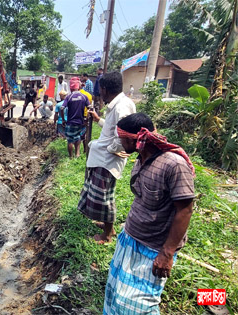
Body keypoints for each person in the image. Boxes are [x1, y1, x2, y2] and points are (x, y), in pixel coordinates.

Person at [104, 113, 195, 314]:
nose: (119, 141)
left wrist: (167, 253)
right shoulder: (142, 158)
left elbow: (185, 209)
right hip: (131, 239)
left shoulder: (174, 165)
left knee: (139, 304)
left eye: (121, 138)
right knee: (116, 295)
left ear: (132, 139)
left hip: (152, 249)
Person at [79, 71, 136, 243]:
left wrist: (109, 149)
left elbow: (123, 136)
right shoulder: (118, 104)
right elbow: (113, 129)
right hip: (104, 158)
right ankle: (106, 225)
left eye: (100, 89)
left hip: (107, 160)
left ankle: (108, 234)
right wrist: (98, 120)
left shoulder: (121, 107)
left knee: (104, 197)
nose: (99, 93)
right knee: (101, 193)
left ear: (104, 89)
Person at [61, 77, 89, 158]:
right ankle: (77, 153)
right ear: (78, 86)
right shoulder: (84, 97)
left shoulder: (68, 97)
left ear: (71, 87)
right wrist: (86, 119)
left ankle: (71, 156)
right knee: (78, 137)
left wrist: (63, 119)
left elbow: (62, 108)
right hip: (80, 122)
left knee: (70, 140)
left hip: (70, 122)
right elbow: (90, 108)